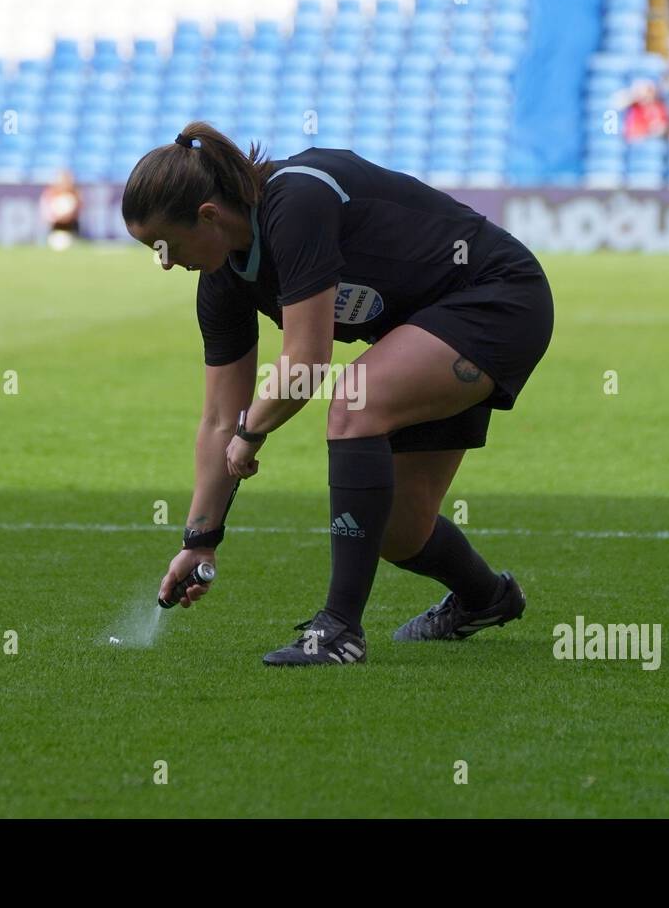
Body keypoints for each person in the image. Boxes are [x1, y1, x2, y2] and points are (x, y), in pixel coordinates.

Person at [121, 122, 553, 666]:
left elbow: (307, 361)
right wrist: (200, 537)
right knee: (399, 529)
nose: (164, 262)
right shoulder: (221, 281)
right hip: (418, 330)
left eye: (167, 245)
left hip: (498, 298)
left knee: (355, 399)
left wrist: (251, 432)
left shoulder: (295, 200)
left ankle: (340, 631)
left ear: (208, 215)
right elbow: (216, 419)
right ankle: (486, 598)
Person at [40, 169, 82, 250]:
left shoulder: (75, 193)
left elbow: (79, 209)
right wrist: (57, 217)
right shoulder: (50, 192)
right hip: (55, 225)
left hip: (70, 224)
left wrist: (69, 215)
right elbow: (46, 212)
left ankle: (74, 238)